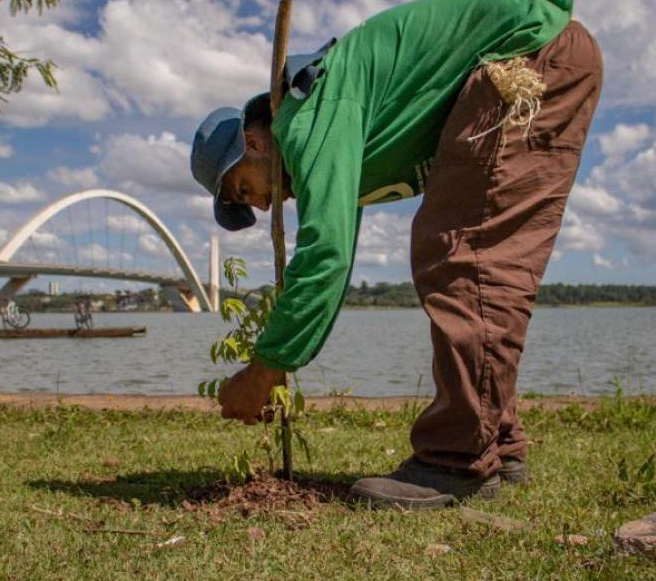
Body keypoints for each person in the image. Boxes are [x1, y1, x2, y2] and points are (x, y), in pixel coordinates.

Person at [190, 0, 601, 509]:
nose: (262, 204)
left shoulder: (305, 119)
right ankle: (496, 442)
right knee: (471, 251)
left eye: (242, 190)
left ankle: (456, 458)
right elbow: (337, 247)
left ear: (253, 142)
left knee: (461, 252)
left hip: (527, 59)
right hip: (544, 53)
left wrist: (265, 368)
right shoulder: (323, 115)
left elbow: (326, 254)